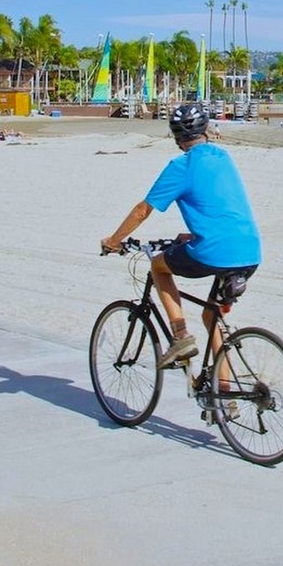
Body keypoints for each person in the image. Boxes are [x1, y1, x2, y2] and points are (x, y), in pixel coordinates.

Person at [101, 101, 261, 370]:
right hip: (250, 251)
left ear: (176, 136)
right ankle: (224, 396)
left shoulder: (181, 166)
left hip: (214, 252)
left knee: (158, 266)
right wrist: (192, 235)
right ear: (206, 129)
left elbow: (142, 211)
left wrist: (114, 241)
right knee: (212, 316)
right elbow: (220, 208)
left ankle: (180, 336)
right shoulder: (223, 157)